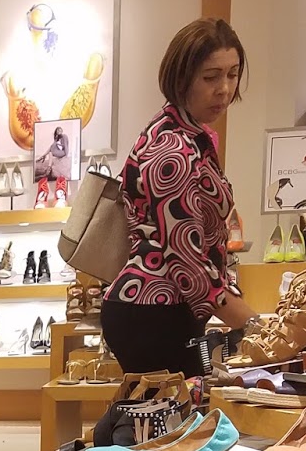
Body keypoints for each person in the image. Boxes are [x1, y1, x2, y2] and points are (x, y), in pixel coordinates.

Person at [101, 19, 257, 376]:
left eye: (233, 74)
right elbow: (185, 259)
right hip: (154, 310)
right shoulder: (173, 148)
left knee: (167, 409)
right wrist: (254, 324)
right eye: (210, 77)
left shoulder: (186, 134)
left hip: (161, 305)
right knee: (172, 411)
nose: (224, 89)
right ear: (182, 77)